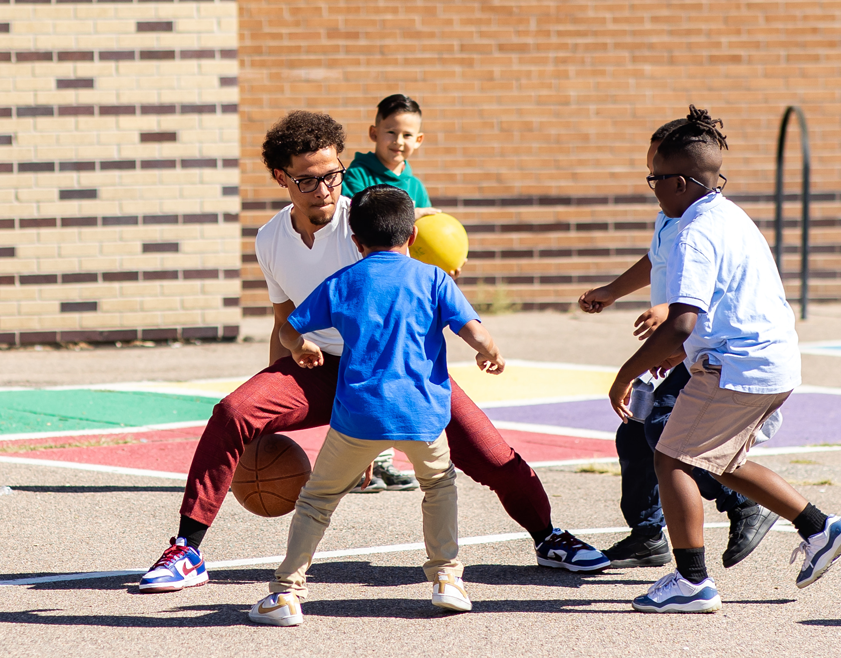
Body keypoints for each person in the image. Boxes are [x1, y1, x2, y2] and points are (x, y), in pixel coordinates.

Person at [138, 110, 608, 594]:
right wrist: (270, 392)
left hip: (401, 370)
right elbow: (284, 321)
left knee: (489, 455)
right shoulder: (271, 238)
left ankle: (548, 537)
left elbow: (424, 234)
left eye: (332, 174)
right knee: (234, 411)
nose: (324, 188)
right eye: (307, 179)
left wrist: (449, 261)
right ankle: (187, 550)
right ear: (281, 177)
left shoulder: (366, 222)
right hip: (321, 366)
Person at [609, 106, 841, 614]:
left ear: (680, 182)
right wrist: (683, 348)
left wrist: (625, 373)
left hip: (737, 368)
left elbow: (681, 320)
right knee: (721, 459)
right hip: (771, 362)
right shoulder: (725, 215)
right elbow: (724, 306)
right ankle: (819, 528)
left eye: (654, 178)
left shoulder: (695, 235)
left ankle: (691, 582)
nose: (651, 187)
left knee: (670, 457)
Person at [248, 185, 503, 625]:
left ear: (355, 241)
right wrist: (489, 352)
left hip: (359, 416)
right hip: (423, 415)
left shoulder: (344, 281)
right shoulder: (434, 278)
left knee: (317, 501)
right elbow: (475, 331)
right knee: (438, 487)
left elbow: (289, 327)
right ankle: (448, 579)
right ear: (411, 238)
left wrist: (301, 345)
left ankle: (286, 593)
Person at [578, 121, 779, 569]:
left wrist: (667, 312)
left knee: (664, 432)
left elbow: (699, 293)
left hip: (703, 345)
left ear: (678, 174)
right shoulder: (671, 215)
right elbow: (660, 261)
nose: (650, 175)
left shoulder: (700, 222)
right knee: (634, 434)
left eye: (656, 167)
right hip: (680, 346)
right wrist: (612, 290)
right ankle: (648, 534)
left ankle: (742, 502)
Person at [340, 93, 437, 491]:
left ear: (419, 140)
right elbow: (360, 219)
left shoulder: (414, 185)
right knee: (366, 372)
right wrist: (417, 213)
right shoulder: (359, 176)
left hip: (401, 294)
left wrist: (444, 262)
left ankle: (379, 462)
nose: (398, 141)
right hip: (365, 287)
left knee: (393, 372)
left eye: (407, 134)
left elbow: (426, 238)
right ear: (373, 133)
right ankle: (360, 463)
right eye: (391, 132)